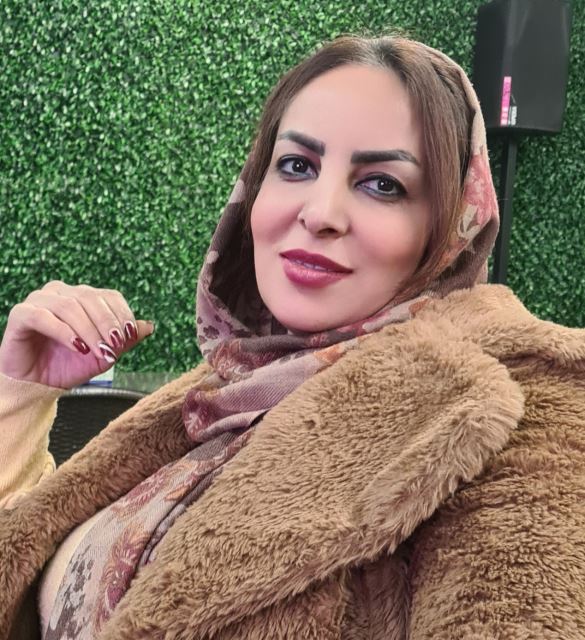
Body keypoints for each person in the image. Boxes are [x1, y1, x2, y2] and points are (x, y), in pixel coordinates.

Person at [0, 33, 584, 640]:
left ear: (453, 224)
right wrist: (22, 394)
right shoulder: (231, 387)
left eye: (383, 183)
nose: (320, 211)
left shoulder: (523, 409)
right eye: (297, 165)